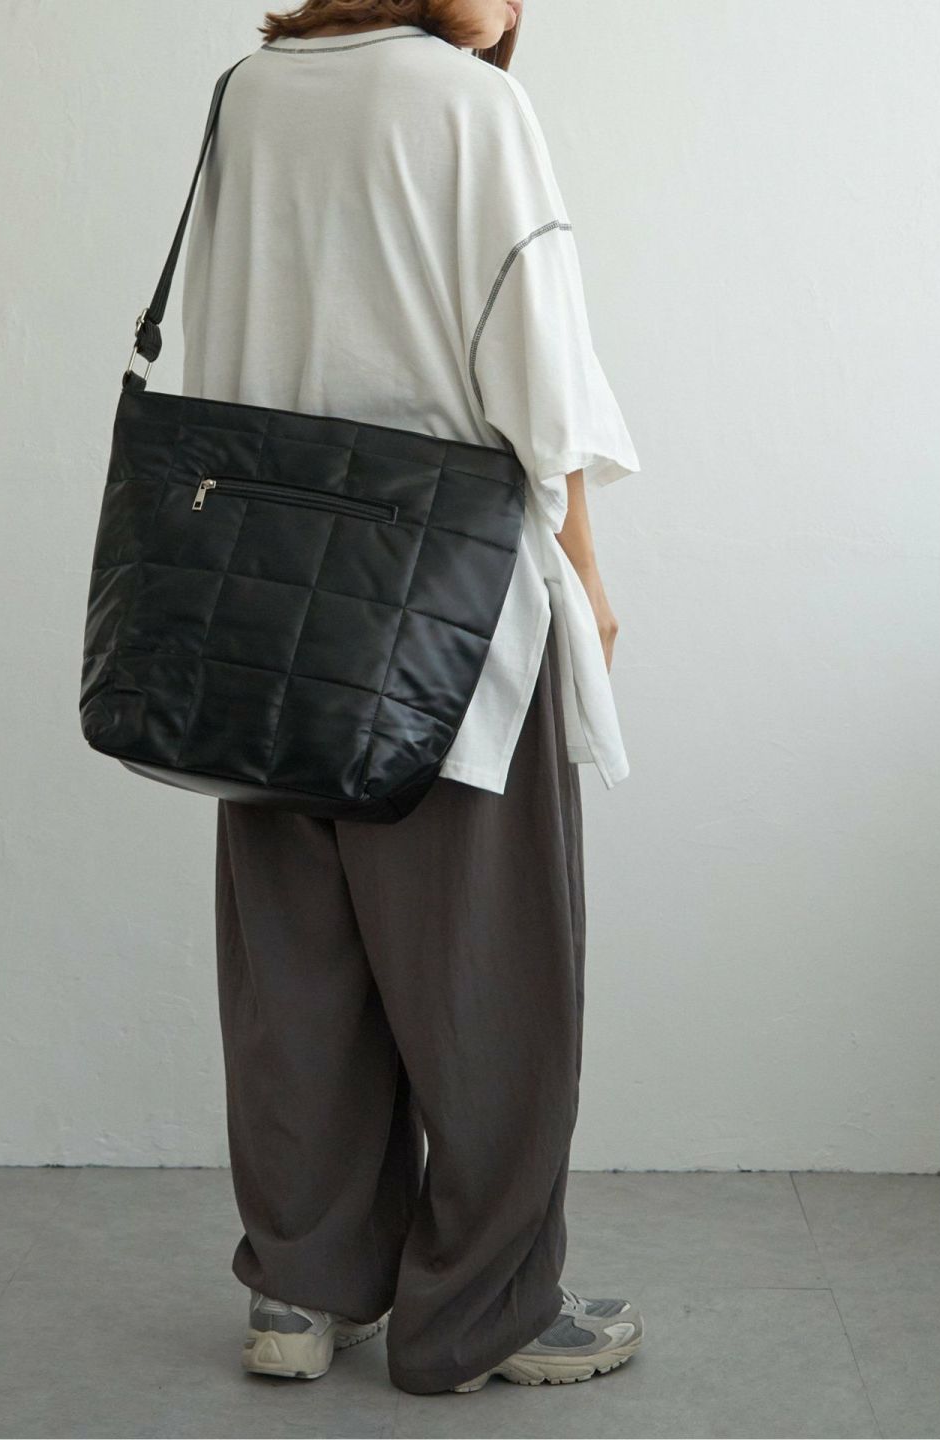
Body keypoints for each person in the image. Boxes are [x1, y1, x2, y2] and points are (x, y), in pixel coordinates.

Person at [180, 0, 644, 1397]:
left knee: (296, 972)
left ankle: (299, 1290)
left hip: (264, 598)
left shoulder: (247, 93)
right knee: (489, 981)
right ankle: (481, 1312)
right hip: (447, 609)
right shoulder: (470, 108)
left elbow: (226, 337)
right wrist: (589, 575)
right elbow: (541, 384)